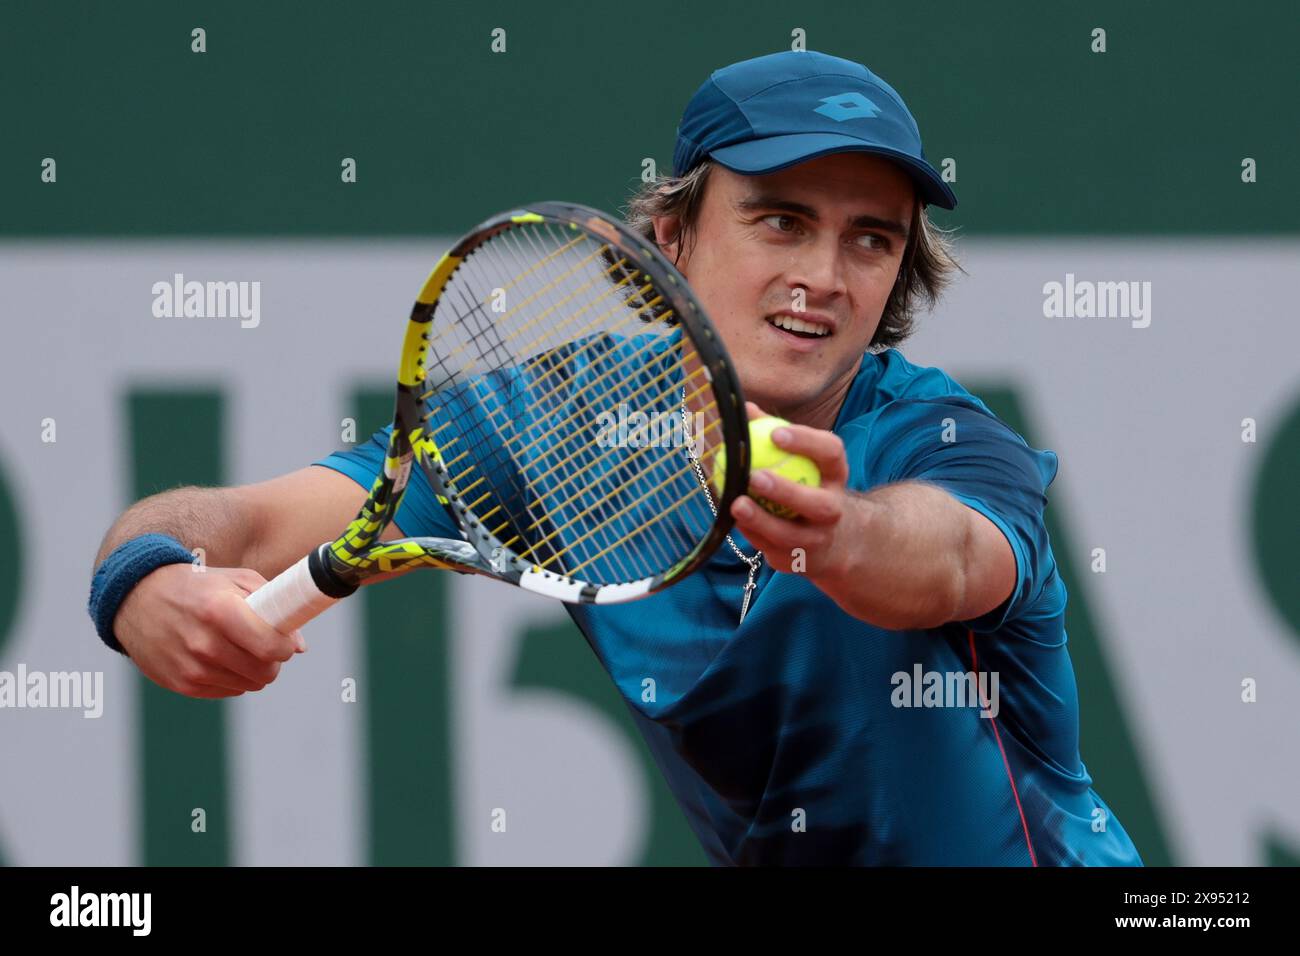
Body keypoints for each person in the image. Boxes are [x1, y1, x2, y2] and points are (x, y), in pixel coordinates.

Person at [89, 50, 1142, 866]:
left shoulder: (942, 438)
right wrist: (147, 580)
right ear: (673, 236)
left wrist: (841, 531)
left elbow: (951, 557)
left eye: (871, 239)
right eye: (780, 220)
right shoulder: (561, 419)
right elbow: (240, 521)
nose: (824, 274)